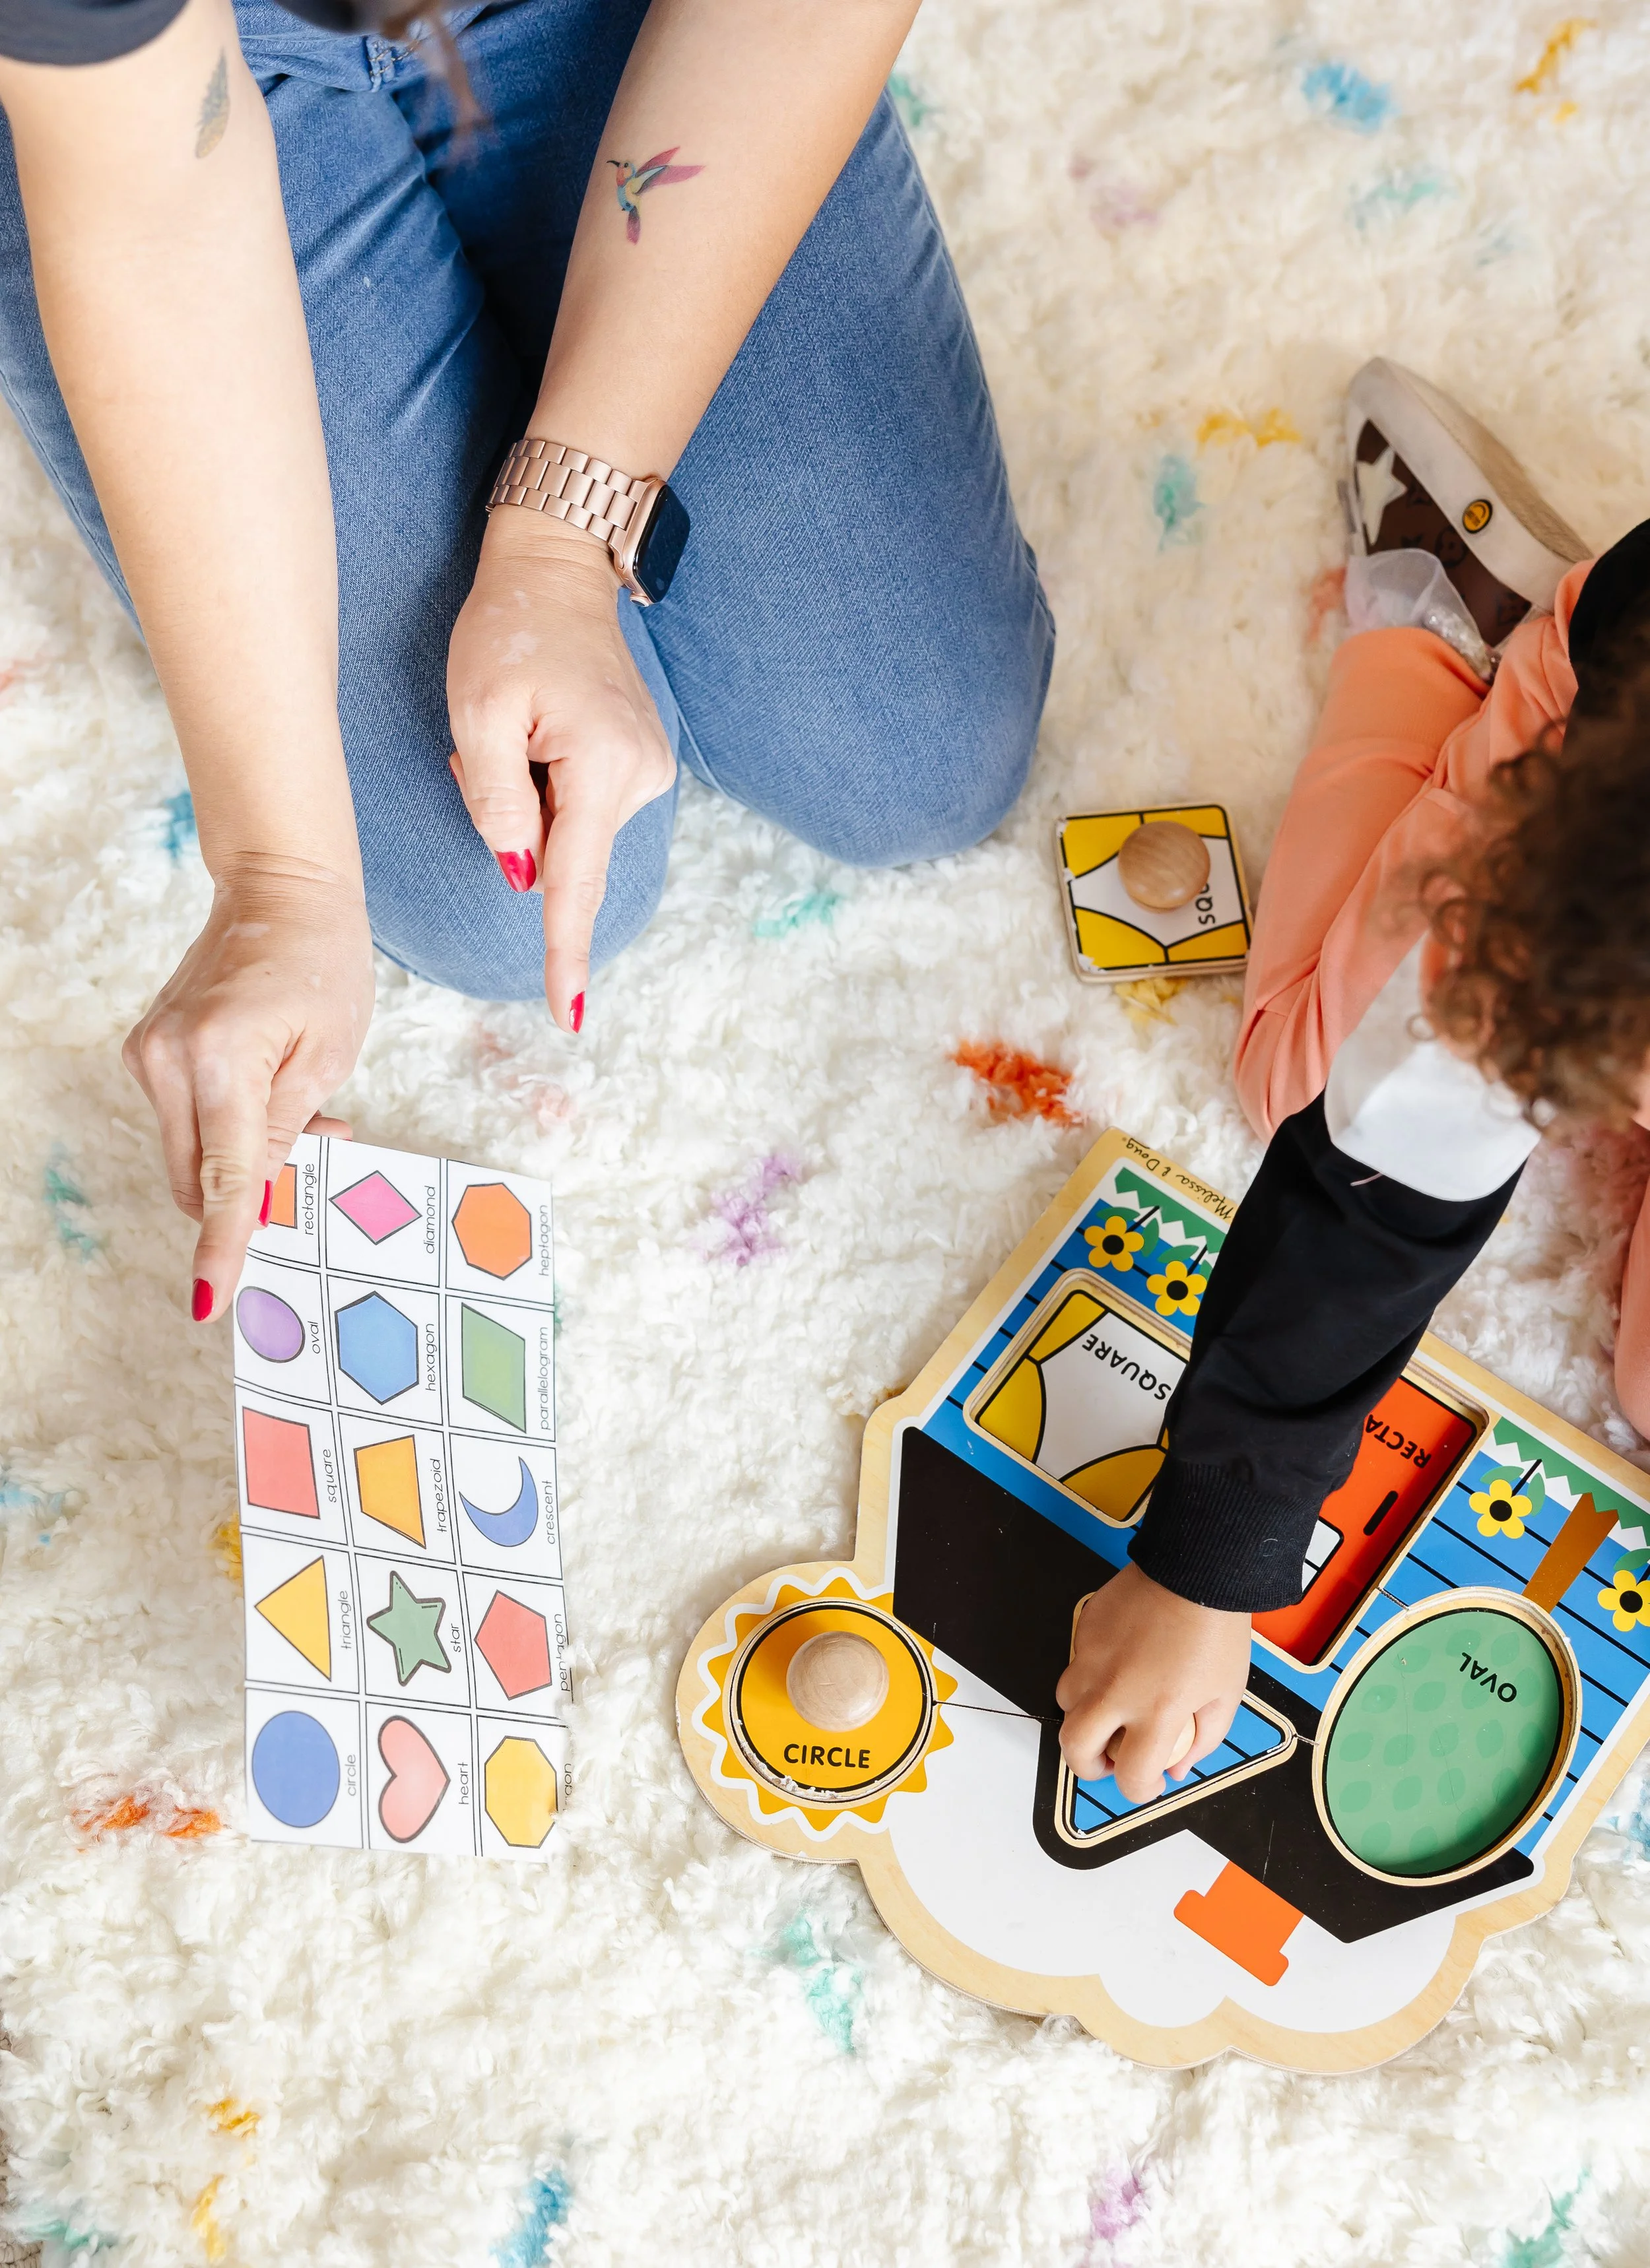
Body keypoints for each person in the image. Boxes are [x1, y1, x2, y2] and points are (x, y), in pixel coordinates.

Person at [0, 0, 1053, 1320]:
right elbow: (151, 205)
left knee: (919, 751)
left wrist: (562, 538)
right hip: (162, 91)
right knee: (502, 891)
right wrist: (279, 869)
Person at [1058, 356, 1650, 1802]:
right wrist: (1207, 1565)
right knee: (1303, 1081)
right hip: (1607, 708)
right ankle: (1447, 624)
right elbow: (1363, 1207)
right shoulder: (1575, 889)